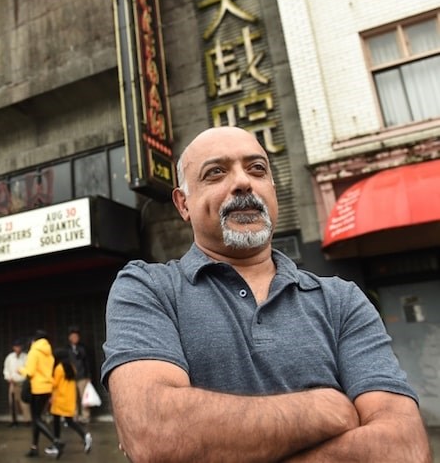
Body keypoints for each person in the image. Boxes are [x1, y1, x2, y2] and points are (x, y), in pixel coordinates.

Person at [101, 126, 432, 462]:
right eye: (216, 173)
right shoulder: (148, 288)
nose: (244, 182)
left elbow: (402, 448)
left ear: (272, 189)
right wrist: (329, 408)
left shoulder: (341, 301)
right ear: (183, 203)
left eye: (257, 169)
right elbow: (155, 433)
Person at [19, 330, 65, 459]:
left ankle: (56, 441)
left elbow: (30, 372)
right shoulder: (49, 354)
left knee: (36, 419)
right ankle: (34, 447)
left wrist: (20, 370)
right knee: (37, 419)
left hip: (37, 389)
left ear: (35, 340)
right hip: (47, 388)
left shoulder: (34, 352)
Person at [44, 348, 92, 457]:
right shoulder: (71, 367)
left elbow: (54, 384)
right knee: (69, 421)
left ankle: (56, 444)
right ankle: (85, 436)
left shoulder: (59, 369)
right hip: (69, 400)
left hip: (59, 399)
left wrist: (47, 379)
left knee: (56, 422)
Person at [66, 326, 93, 424]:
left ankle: (86, 416)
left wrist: (89, 376)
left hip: (82, 376)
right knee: (73, 398)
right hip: (71, 377)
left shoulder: (82, 348)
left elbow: (87, 363)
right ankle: (74, 416)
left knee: (84, 398)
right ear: (69, 338)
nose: (75, 338)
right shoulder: (67, 349)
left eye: (76, 336)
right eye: (73, 336)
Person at [3, 338, 31, 427]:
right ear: (13, 348)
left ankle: (28, 420)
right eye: (16, 347)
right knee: (12, 402)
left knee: (24, 403)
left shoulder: (25, 357)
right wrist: (8, 377)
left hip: (22, 383)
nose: (17, 348)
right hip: (12, 382)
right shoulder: (10, 357)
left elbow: (28, 369)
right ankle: (13, 420)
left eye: (19, 346)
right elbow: (6, 369)